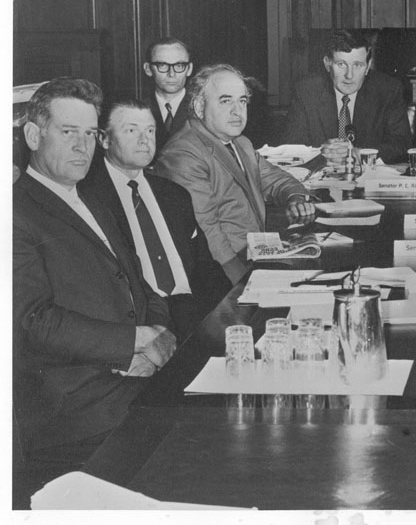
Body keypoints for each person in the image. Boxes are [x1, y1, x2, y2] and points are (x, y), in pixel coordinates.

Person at [13, 78, 176, 466]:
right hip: (75, 410)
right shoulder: (16, 214)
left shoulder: (93, 201)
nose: (82, 146)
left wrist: (157, 341)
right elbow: (33, 322)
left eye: (89, 134)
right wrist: (133, 343)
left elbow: (144, 286)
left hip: (134, 381)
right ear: (33, 135)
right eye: (68, 132)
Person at [80, 99, 232, 339]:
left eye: (150, 130)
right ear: (104, 139)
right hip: (141, 322)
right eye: (131, 130)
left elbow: (206, 268)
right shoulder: (87, 199)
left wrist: (234, 310)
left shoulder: (174, 194)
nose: (144, 140)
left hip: (195, 314)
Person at [153, 64, 316, 284]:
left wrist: (296, 198)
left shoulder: (240, 143)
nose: (237, 112)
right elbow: (207, 230)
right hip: (220, 273)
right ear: (200, 106)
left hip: (253, 256)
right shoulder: (184, 153)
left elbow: (277, 179)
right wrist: (241, 283)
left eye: (242, 101)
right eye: (225, 101)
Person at [282, 30, 412, 164]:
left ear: (367, 67)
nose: (349, 75)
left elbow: (401, 144)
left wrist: (358, 154)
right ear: (327, 64)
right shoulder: (306, 91)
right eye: (341, 64)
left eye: (357, 65)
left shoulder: (388, 90)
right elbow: (291, 146)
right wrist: (323, 152)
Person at [143, 37, 193, 150]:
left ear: (189, 69)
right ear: (148, 69)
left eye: (179, 66)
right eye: (162, 66)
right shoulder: (137, 109)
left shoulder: (201, 109)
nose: (171, 73)